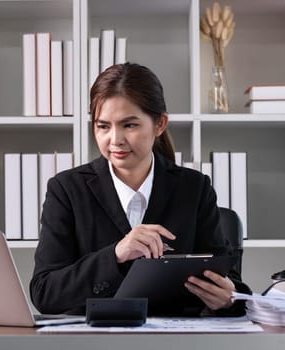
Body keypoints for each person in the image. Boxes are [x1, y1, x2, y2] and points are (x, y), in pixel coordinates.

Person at [29, 62, 251, 316]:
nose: (115, 140)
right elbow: (44, 293)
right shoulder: (66, 189)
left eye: (129, 125)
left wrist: (227, 298)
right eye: (103, 126)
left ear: (159, 124)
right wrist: (116, 254)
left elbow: (231, 283)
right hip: (91, 341)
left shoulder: (194, 188)